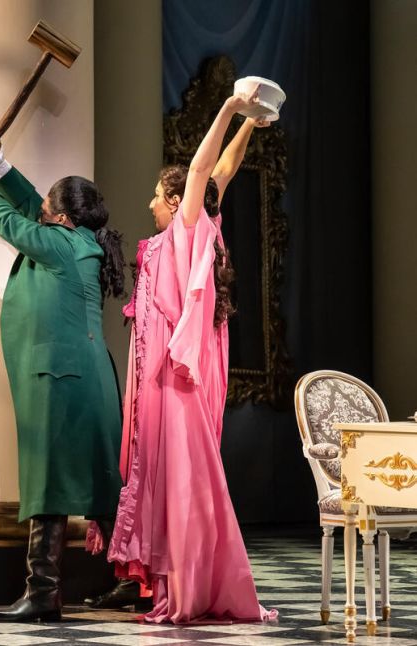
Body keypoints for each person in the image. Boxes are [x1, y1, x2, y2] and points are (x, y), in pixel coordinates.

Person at [101, 92, 277, 623]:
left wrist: (229, 108)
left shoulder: (187, 229)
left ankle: (184, 587)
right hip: (173, 373)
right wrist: (250, 126)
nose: (150, 204)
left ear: (178, 202)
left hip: (175, 378)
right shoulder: (202, 227)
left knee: (180, 477)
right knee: (175, 475)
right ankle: (173, 580)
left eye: (158, 196)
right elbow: (224, 170)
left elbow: (204, 169)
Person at [0, 144, 125, 622]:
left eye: (50, 210)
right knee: (96, 482)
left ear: (62, 219)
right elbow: (33, 209)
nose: (42, 213)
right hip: (75, 377)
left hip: (63, 380)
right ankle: (137, 578)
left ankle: (44, 593)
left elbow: (15, 223)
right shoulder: (74, 239)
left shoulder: (62, 246)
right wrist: (1, 168)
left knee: (51, 480)